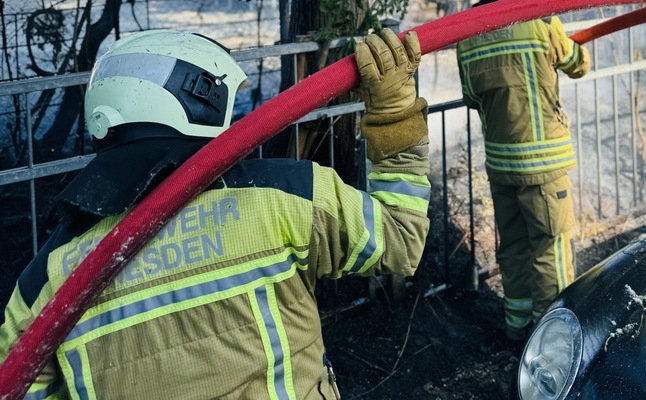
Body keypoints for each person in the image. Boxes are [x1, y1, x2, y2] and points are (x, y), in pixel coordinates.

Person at [0, 28, 430, 399]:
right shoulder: (283, 195)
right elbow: (400, 239)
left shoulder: (45, 280)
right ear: (201, 97)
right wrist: (394, 112)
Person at [457, 3, 591, 341]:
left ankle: (517, 331)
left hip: (501, 165)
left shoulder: (466, 35)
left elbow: (472, 97)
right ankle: (553, 340)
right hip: (543, 166)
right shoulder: (540, 20)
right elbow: (580, 65)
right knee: (550, 250)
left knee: (513, 247)